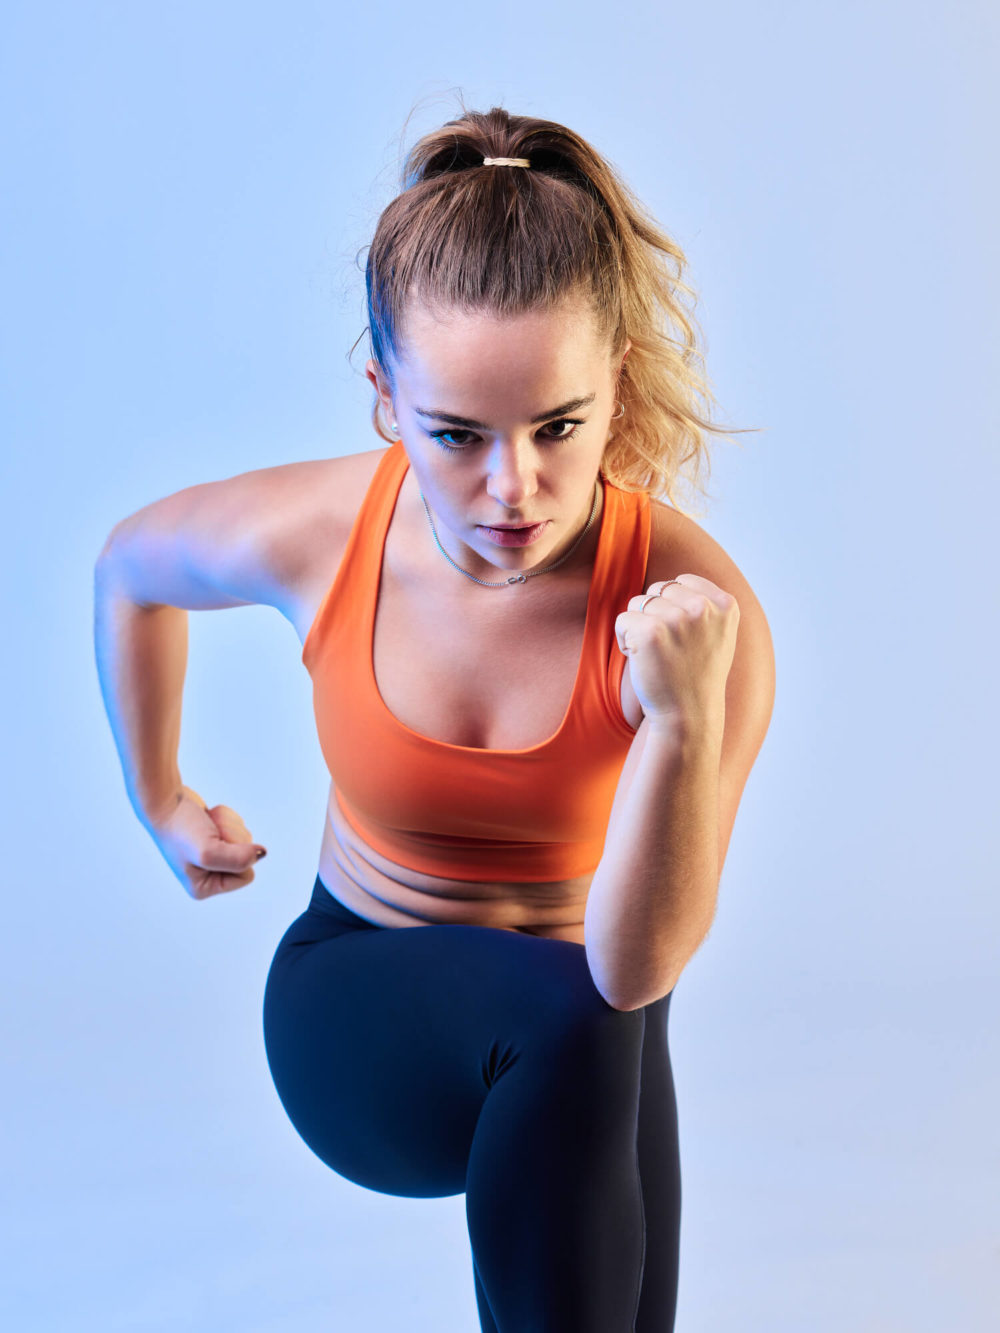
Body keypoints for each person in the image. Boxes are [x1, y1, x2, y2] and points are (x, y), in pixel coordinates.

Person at [94, 102, 775, 1333]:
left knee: (604, 1022)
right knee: (571, 1013)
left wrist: (676, 725)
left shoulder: (694, 609)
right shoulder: (319, 534)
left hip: (588, 1028)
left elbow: (636, 967)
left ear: (613, 386)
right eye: (455, 435)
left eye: (557, 428)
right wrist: (160, 797)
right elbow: (131, 570)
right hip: (361, 1013)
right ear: (383, 398)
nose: (512, 489)